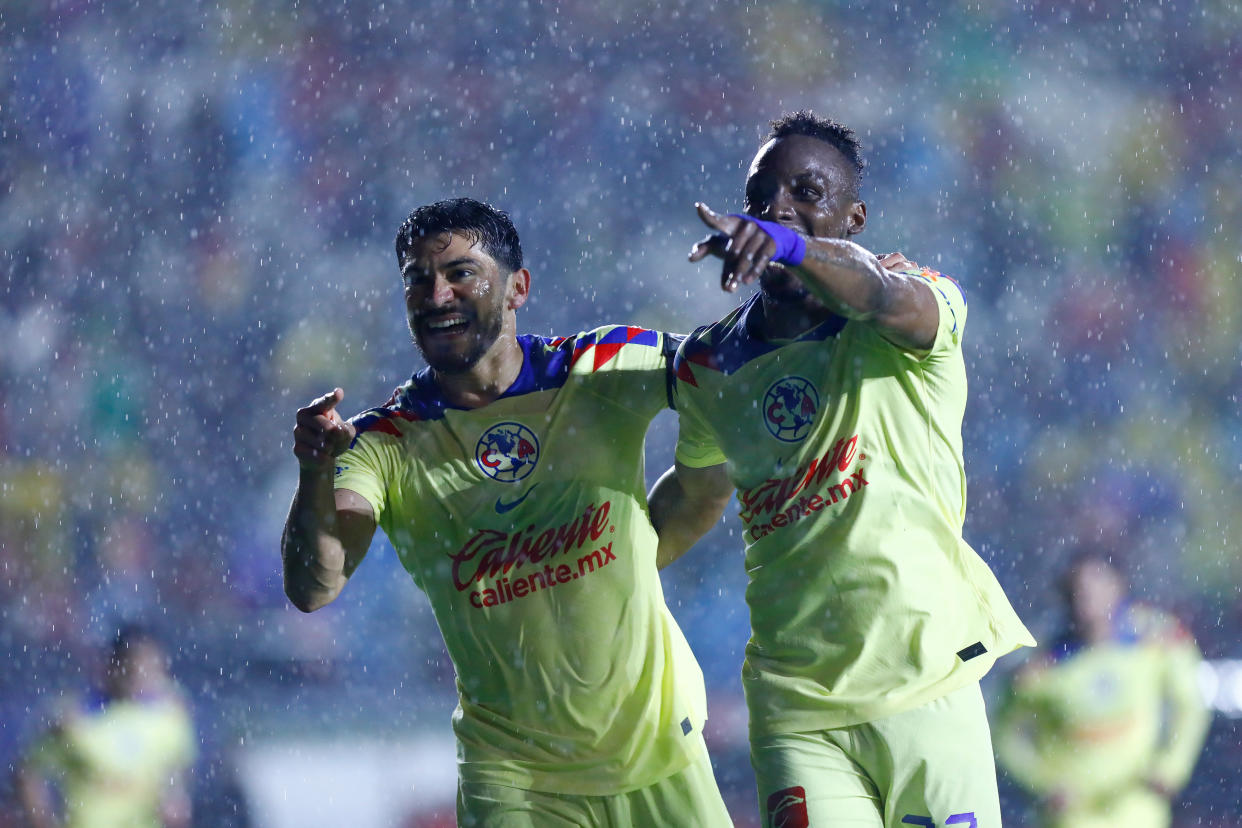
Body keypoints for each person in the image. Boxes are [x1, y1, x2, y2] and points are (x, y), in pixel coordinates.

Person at [281, 198, 732, 826]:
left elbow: (726, 372)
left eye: (461, 273)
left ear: (518, 287)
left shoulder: (599, 368)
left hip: (659, 750)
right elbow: (315, 586)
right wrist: (315, 469)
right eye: (418, 279)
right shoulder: (383, 441)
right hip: (514, 781)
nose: (436, 294)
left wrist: (853, 283)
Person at [648, 111, 1036, 827]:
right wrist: (600, 574)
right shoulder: (708, 363)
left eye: (807, 192)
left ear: (854, 217)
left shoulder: (911, 306)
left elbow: (880, 295)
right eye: (762, 194)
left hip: (928, 684)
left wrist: (792, 248)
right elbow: (697, 494)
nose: (778, 208)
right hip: (796, 706)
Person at [994, 552, 1210, 828]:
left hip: (1137, 807)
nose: (1088, 598)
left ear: (1118, 585)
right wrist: (1043, 783)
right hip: (1072, 817)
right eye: (1079, 590)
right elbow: (1002, 732)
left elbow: (1189, 705)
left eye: (1096, 586)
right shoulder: (1044, 665)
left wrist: (1170, 767)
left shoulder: (1152, 641)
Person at [17, 626, 196, 828]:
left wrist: (174, 799)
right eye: (133, 665)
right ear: (114, 665)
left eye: (150, 666)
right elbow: (30, 772)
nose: (140, 674)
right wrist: (42, 821)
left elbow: (177, 771)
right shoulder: (75, 719)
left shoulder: (170, 718)